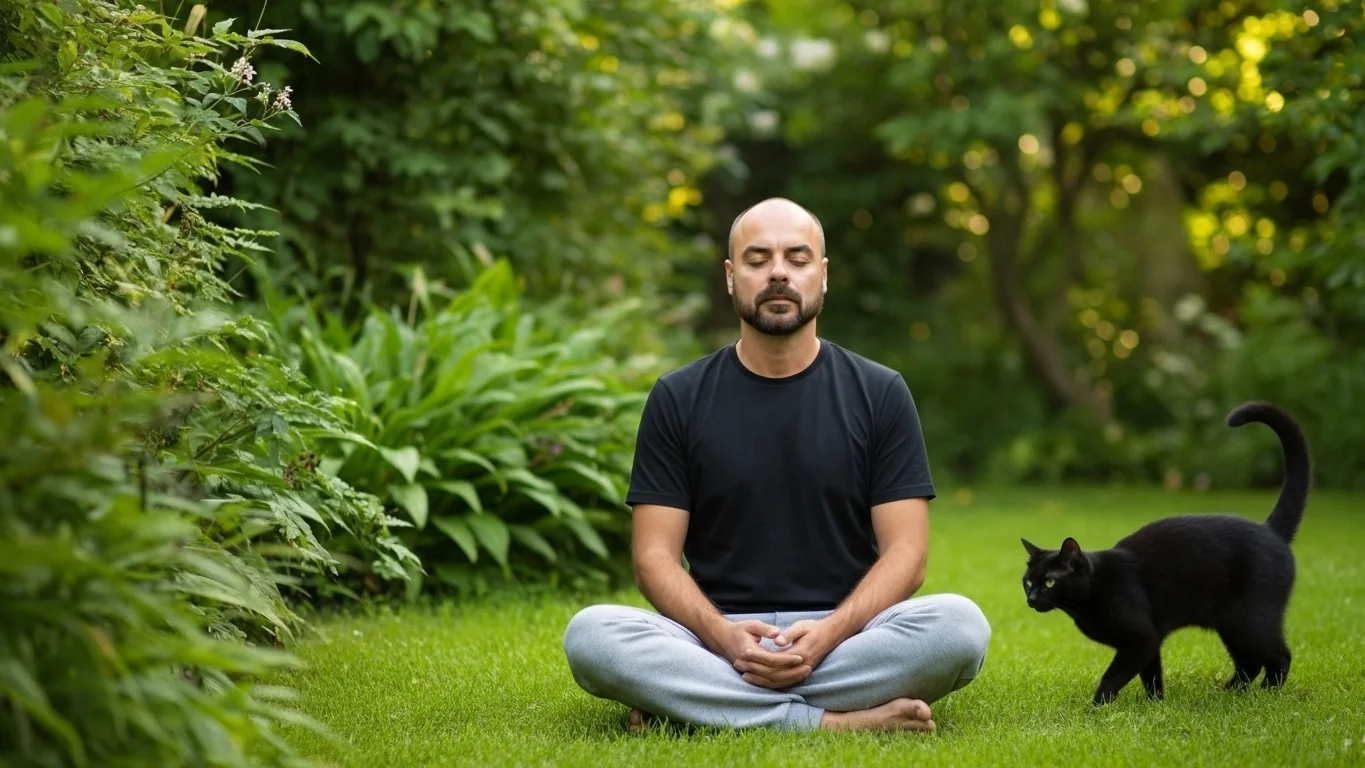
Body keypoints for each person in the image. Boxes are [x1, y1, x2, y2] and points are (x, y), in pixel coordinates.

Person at [561, 197, 990, 733]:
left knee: (959, 627)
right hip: (714, 640)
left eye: (798, 258)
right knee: (591, 635)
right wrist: (727, 640)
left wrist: (829, 633)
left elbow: (908, 554)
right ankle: (832, 722)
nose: (779, 273)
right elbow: (653, 558)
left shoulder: (881, 393)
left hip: (847, 636)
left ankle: (698, 708)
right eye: (758, 259)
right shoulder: (678, 396)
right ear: (730, 275)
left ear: (823, 275)